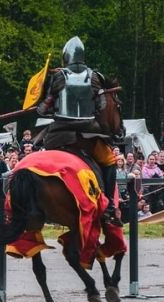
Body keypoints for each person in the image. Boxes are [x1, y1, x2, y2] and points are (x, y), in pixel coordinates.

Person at [35, 36, 121, 226]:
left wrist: (41, 107)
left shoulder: (58, 76)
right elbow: (101, 105)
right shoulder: (95, 76)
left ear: (66, 57)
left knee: (36, 157)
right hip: (88, 132)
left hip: (60, 133)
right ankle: (108, 207)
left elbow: (44, 108)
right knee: (109, 161)